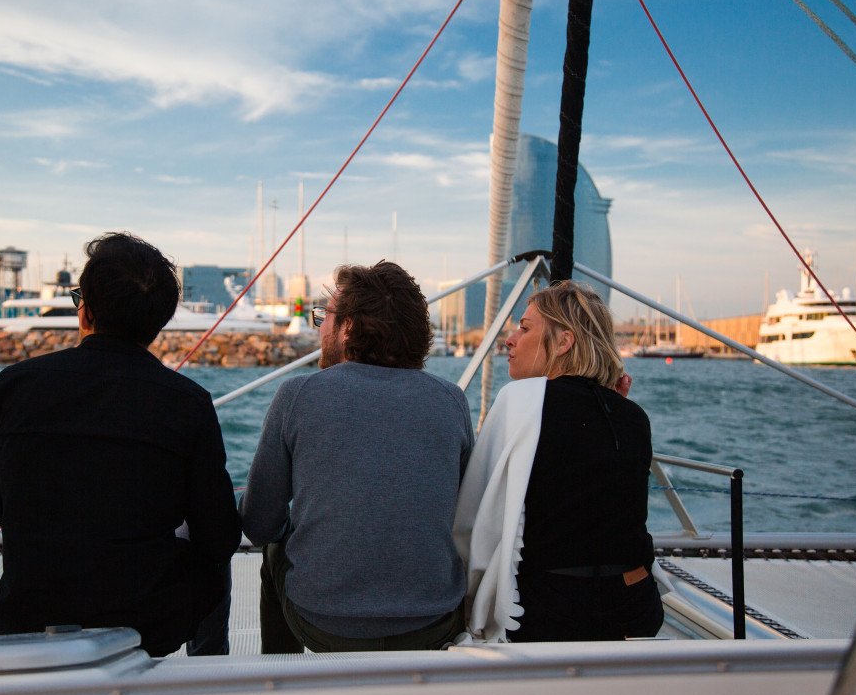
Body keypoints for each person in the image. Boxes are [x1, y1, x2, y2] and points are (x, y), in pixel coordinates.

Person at [0, 232, 241, 657]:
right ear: (159, 322)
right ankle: (211, 679)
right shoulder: (188, 403)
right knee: (213, 560)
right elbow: (219, 538)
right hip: (147, 626)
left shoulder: (14, 385)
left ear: (84, 309)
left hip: (27, 621)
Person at [241, 261, 473, 653]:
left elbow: (259, 525)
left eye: (324, 318)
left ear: (348, 327)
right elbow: (463, 513)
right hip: (433, 623)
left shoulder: (297, 396)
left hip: (323, 624)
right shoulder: (452, 401)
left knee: (273, 553)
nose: (320, 329)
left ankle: (281, 679)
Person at [453, 280, 662, 643]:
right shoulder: (632, 415)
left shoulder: (520, 399)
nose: (510, 340)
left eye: (525, 328)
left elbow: (473, 523)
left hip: (547, 616)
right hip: (634, 608)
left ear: (564, 342)